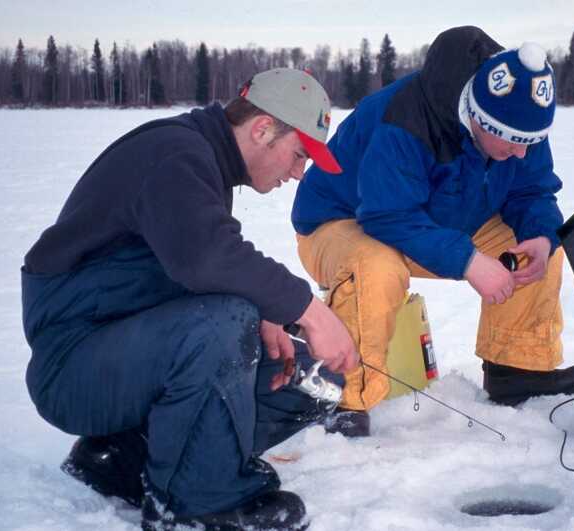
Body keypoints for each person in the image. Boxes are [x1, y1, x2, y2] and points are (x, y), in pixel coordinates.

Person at [21, 68, 359, 530]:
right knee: (223, 322)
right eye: (299, 154)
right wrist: (309, 310)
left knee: (307, 383)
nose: (299, 173)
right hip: (74, 364)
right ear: (263, 129)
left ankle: (121, 457)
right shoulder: (174, 154)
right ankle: (198, 505)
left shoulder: (203, 162)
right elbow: (204, 258)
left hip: (128, 348)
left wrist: (266, 315)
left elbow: (189, 263)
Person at [291, 26, 574, 437]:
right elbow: (387, 215)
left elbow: (533, 189)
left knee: (536, 246)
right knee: (375, 266)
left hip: (436, 218)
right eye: (513, 142)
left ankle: (518, 369)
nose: (522, 152)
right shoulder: (404, 118)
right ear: (478, 120)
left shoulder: (519, 116)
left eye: (531, 142)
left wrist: (540, 235)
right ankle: (346, 400)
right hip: (342, 222)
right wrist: (467, 260)